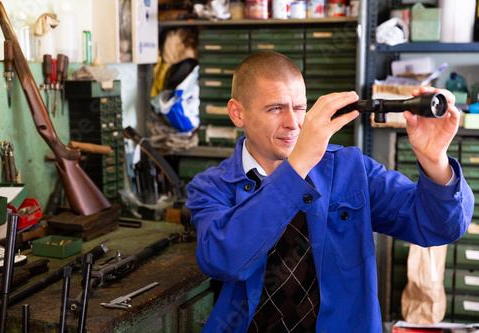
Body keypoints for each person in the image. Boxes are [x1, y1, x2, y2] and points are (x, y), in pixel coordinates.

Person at [185, 51, 474, 332]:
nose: (294, 123)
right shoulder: (211, 187)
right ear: (238, 113)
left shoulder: (350, 169)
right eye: (275, 108)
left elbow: (441, 226)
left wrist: (434, 160)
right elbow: (222, 261)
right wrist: (296, 167)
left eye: (299, 108)